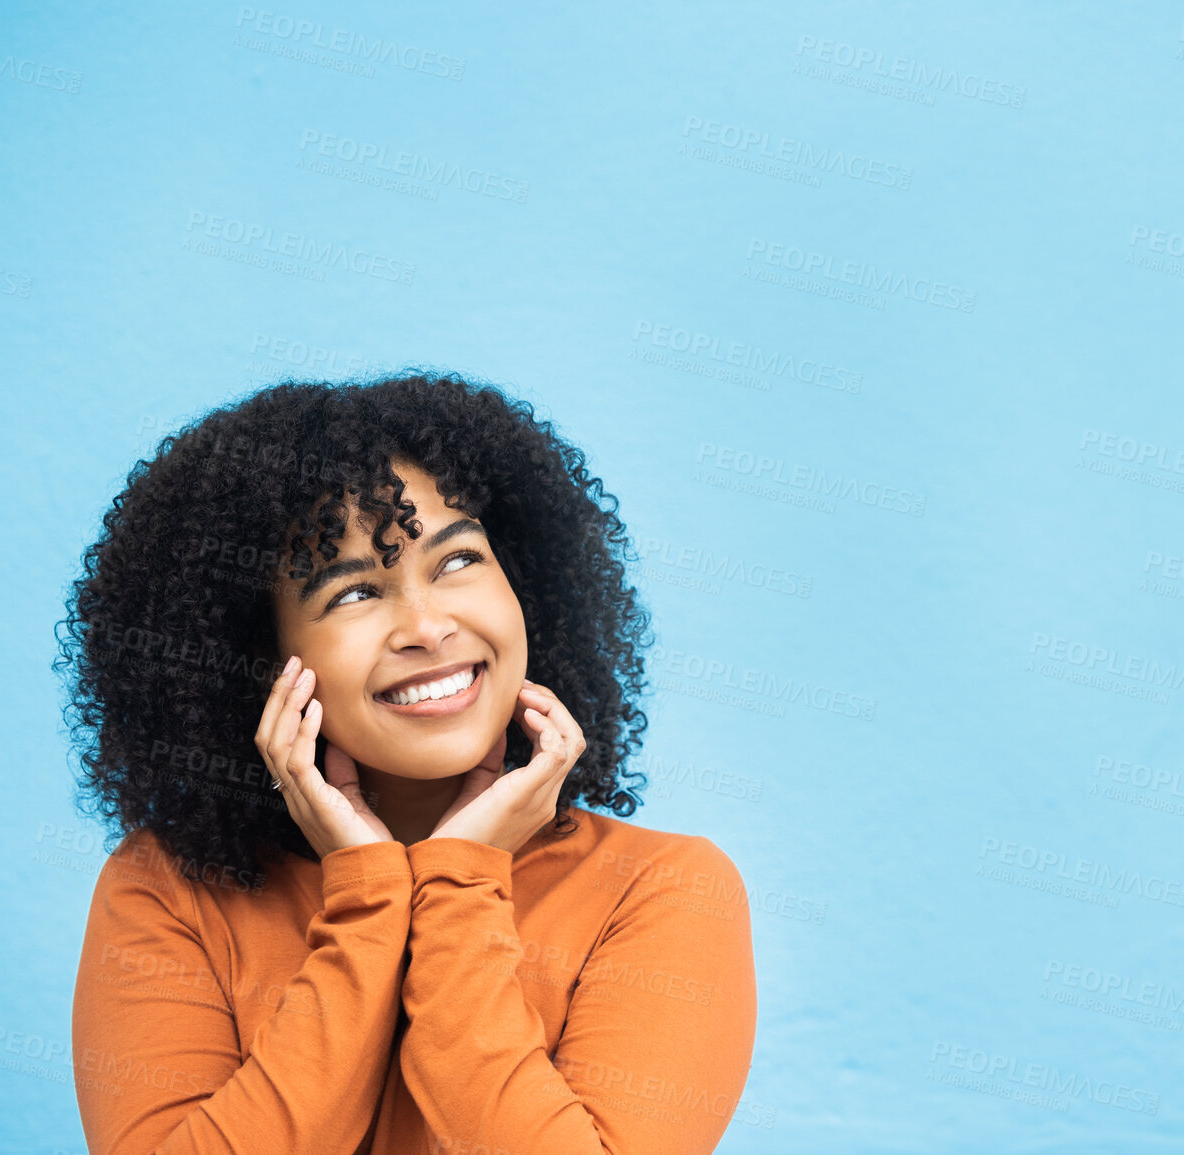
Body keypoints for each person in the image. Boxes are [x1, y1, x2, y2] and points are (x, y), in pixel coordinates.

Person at [55, 373, 757, 1154]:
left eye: (457, 560)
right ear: (261, 661)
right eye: (353, 593)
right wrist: (364, 901)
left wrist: (463, 874)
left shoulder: (662, 889)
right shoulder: (167, 890)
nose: (427, 626)